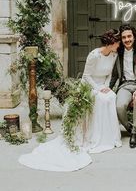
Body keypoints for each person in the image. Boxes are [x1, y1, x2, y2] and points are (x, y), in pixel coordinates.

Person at [18, 29, 122, 172]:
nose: (119, 45)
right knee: (100, 99)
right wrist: (97, 89)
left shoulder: (114, 55)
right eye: (117, 43)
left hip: (102, 84)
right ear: (111, 43)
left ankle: (108, 138)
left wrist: (105, 86)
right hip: (89, 85)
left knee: (111, 96)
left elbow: (109, 74)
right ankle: (94, 137)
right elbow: (86, 76)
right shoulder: (94, 55)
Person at [110, 24, 136, 149]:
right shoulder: (118, 54)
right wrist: (107, 88)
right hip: (125, 85)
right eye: (124, 37)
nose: (127, 39)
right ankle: (129, 127)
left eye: (129, 36)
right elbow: (114, 76)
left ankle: (134, 133)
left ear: (134, 37)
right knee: (119, 106)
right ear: (121, 40)